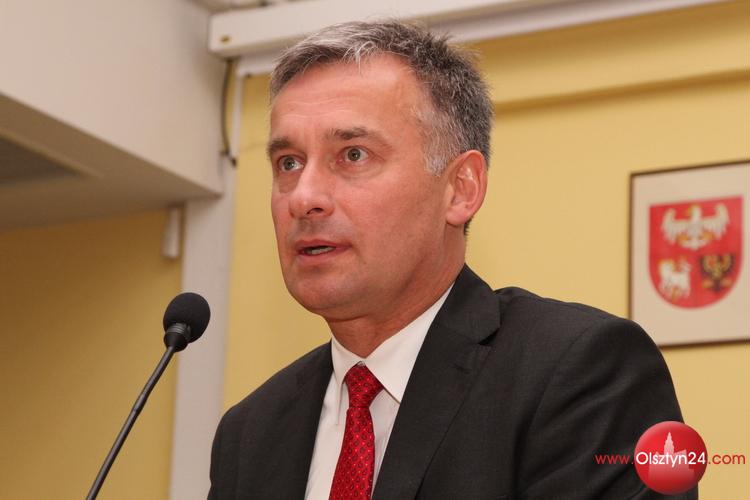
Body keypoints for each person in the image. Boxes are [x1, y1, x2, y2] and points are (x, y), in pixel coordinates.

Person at [209, 21, 694, 499]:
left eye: (353, 155)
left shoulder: (580, 373)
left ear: (461, 189)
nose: (304, 197)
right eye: (289, 163)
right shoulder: (249, 432)